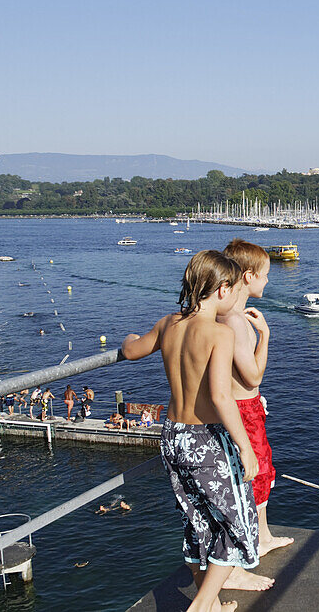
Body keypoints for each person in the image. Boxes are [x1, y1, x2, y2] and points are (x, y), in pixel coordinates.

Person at [121, 249, 273, 607]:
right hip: (206, 437)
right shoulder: (219, 334)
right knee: (237, 520)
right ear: (221, 289)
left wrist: (128, 338)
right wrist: (246, 448)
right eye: (233, 289)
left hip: (173, 434)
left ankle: (214, 604)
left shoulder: (168, 324)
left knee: (196, 518)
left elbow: (131, 351)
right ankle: (203, 604)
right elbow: (222, 397)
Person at [222, 239, 293, 558]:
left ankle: (261, 535)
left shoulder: (226, 316)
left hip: (246, 406)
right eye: (265, 274)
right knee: (258, 471)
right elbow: (252, 377)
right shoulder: (237, 321)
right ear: (248, 275)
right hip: (243, 408)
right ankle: (257, 539)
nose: (268, 279)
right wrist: (265, 336)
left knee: (260, 470)